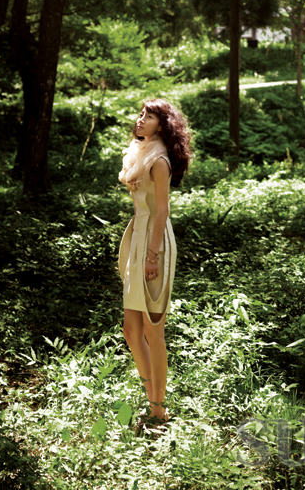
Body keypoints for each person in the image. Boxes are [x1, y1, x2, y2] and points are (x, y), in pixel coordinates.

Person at [118, 99, 192, 425]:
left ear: (162, 125)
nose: (140, 119)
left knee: (153, 329)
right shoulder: (140, 153)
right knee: (131, 330)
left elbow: (162, 211)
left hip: (155, 242)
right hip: (137, 236)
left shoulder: (159, 160)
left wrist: (152, 256)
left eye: (148, 116)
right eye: (140, 114)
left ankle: (158, 411)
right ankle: (153, 402)